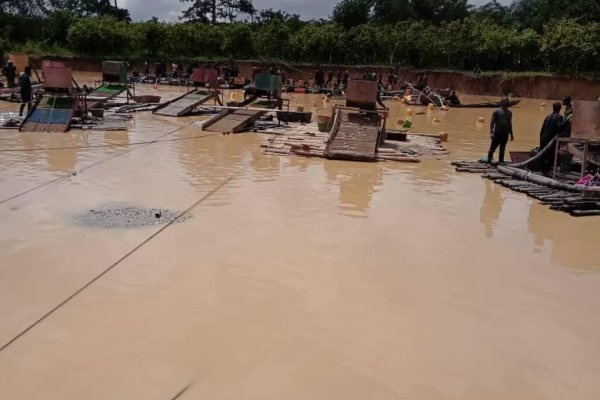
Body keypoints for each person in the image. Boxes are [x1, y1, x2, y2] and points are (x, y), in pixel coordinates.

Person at [487, 97, 514, 164]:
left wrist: (511, 134)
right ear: (501, 102)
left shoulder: (509, 113)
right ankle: (489, 161)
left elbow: (509, 124)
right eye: (504, 101)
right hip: (497, 133)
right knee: (492, 148)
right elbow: (492, 123)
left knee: (502, 149)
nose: (506, 102)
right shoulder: (496, 112)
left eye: (507, 101)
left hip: (505, 134)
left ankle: (501, 161)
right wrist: (491, 132)